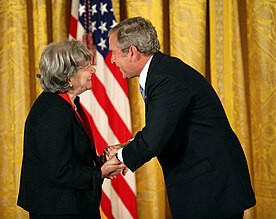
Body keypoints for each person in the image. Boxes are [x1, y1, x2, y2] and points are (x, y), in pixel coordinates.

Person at [106, 17, 256, 219]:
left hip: (212, 189)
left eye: (114, 53)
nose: (112, 60)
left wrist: (118, 159)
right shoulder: (163, 71)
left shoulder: (164, 78)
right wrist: (127, 148)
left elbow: (153, 141)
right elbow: (166, 128)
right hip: (207, 184)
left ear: (132, 52)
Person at [17, 39, 125, 219]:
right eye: (85, 67)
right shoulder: (54, 112)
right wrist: (100, 173)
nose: (93, 70)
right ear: (67, 77)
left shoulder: (67, 104)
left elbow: (70, 158)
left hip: (71, 206)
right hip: (58, 210)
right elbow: (58, 172)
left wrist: (100, 161)